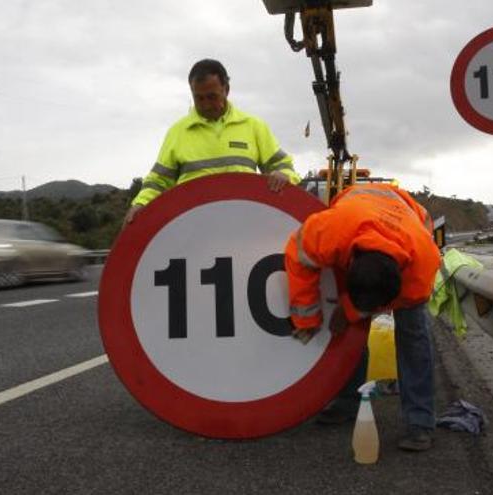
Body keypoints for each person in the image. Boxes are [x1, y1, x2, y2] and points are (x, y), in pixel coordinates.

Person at [284, 182, 441, 452]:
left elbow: (402, 300)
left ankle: (420, 422)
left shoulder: (421, 268)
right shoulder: (330, 231)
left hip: (411, 225)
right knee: (351, 330)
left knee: (413, 334)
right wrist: (307, 318)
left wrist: (350, 310)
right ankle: (348, 400)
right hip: (355, 215)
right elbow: (298, 256)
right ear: (350, 263)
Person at [123, 58, 301, 224]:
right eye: (199, 98)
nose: (206, 104)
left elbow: (283, 166)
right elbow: (158, 181)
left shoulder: (254, 126)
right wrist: (140, 203)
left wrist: (284, 176)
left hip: (244, 224)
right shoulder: (178, 132)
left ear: (226, 90)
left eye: (212, 96)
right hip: (192, 229)